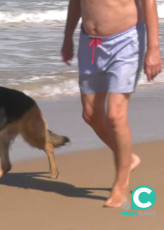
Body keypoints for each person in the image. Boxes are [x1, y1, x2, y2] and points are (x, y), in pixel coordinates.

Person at [61, 0, 162, 207]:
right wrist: (67, 37)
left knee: (115, 115)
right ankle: (128, 158)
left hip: (126, 40)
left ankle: (121, 188)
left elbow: (149, 3)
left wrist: (153, 48)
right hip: (90, 42)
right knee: (90, 115)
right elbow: (75, 2)